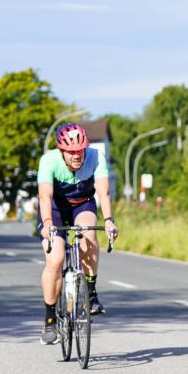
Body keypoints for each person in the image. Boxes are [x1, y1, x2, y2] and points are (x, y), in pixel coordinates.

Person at [36, 122, 118, 345]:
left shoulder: (95, 157)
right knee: (56, 259)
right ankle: (50, 320)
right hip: (53, 208)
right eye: (71, 152)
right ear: (61, 150)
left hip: (82, 204)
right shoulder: (48, 161)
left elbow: (103, 191)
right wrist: (46, 224)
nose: (76, 155)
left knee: (89, 234)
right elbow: (44, 196)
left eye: (80, 150)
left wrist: (109, 220)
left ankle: (91, 294)